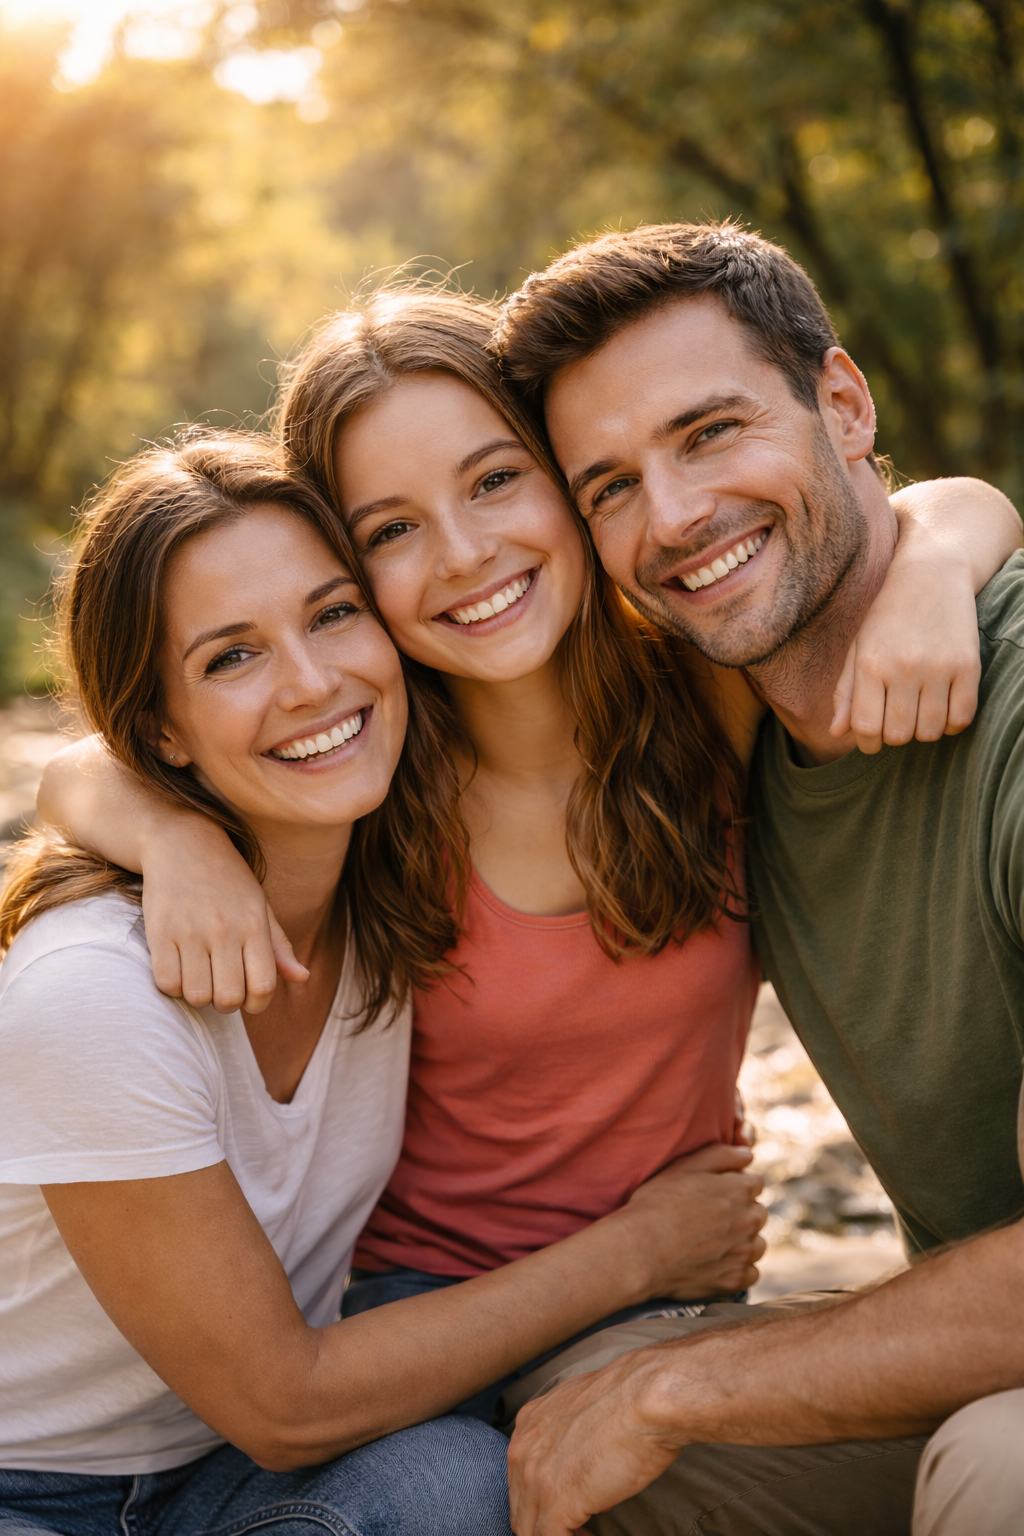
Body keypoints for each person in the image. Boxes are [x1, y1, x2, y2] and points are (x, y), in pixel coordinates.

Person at [36, 292, 1019, 1432]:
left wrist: (934, 568)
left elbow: (938, 507)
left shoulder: (706, 696)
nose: (465, 556)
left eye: (496, 480)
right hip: (416, 1314)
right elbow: (88, 766)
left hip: (678, 1290)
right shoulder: (370, 766)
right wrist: (174, 836)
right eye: (390, 531)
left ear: (569, 479)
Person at [0, 432, 795, 1536]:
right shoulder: (95, 990)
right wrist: (642, 1251)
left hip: (221, 1476)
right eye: (232, 658)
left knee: (457, 1486)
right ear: (158, 731)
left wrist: (172, 830)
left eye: (332, 614)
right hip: (36, 1484)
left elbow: (80, 769)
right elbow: (287, 1405)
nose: (313, 682)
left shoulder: (381, 870)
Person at [491, 221, 1024, 1536]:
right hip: (985, 1359)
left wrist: (678, 1392)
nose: (674, 517)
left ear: (844, 405)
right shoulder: (725, 737)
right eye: (610, 487)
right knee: (567, 1423)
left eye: (711, 431)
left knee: (999, 1463)